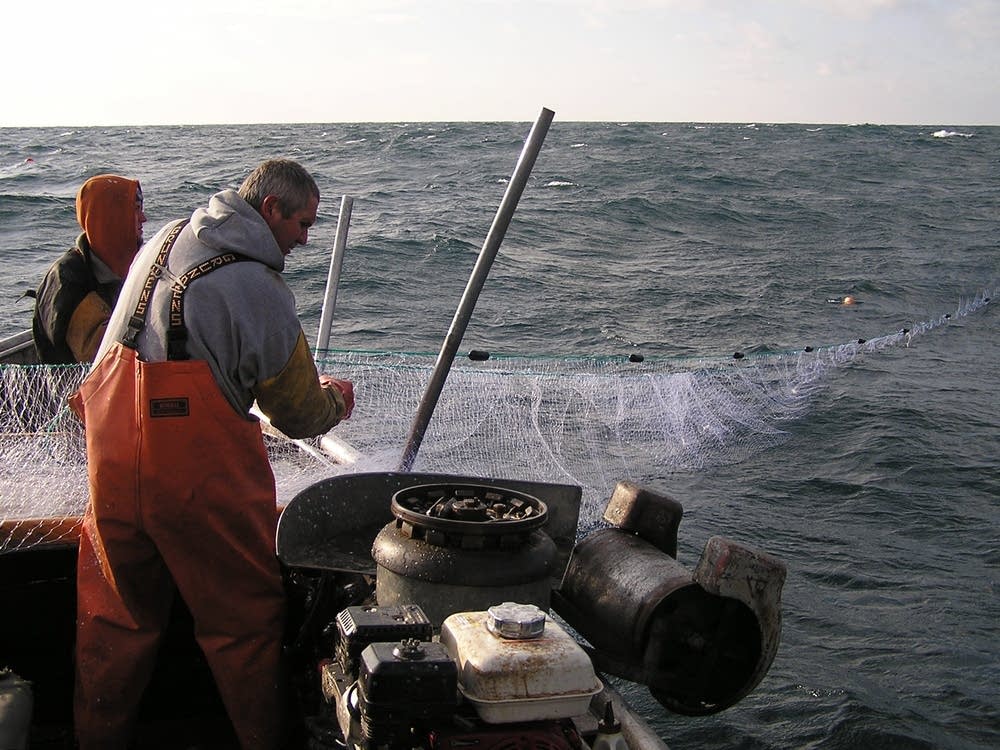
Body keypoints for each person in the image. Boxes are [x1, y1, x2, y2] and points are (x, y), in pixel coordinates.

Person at [68, 159, 355, 749]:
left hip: (112, 466)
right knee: (242, 626)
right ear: (270, 209)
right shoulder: (259, 289)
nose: (305, 238)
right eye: (303, 223)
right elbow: (297, 414)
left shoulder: (163, 241)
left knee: (114, 624)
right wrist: (336, 401)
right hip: (195, 483)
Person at [32, 173, 146, 363]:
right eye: (134, 210)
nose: (144, 218)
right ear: (109, 217)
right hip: (79, 389)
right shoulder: (68, 278)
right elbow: (101, 354)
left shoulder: (137, 264)